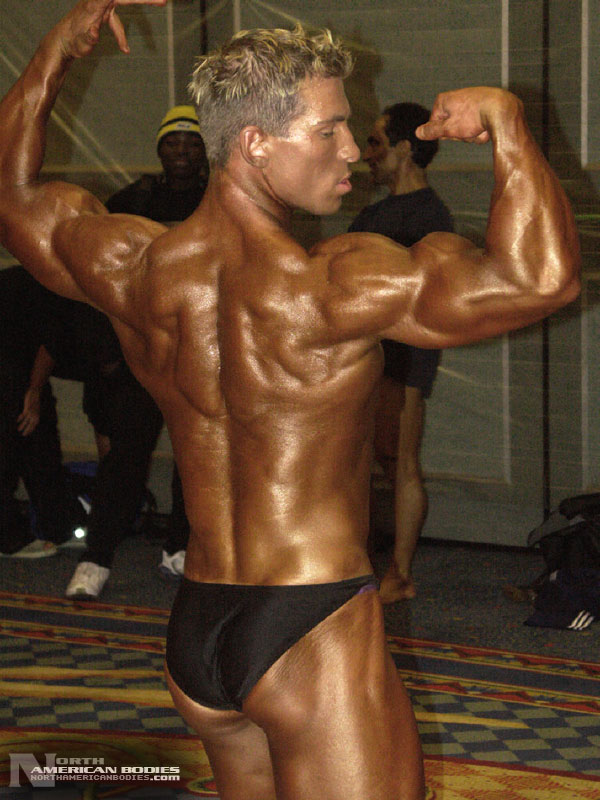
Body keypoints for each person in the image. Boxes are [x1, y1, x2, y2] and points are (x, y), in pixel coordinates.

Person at [0, 2, 580, 799]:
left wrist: (56, 52)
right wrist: (508, 123)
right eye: (328, 130)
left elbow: (15, 194)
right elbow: (541, 278)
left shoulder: (135, 268)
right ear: (254, 144)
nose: (351, 149)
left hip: (200, 628)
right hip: (312, 626)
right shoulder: (331, 284)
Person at [349, 102, 453, 603]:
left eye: (375, 143)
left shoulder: (430, 215)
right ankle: (361, 565)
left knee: (399, 460)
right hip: (363, 350)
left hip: (404, 351)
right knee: (362, 460)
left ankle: (401, 573)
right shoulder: (373, 212)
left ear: (406, 147)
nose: (366, 154)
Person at [105, 103, 209, 580]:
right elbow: (100, 267)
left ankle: (180, 545)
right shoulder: (133, 199)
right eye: (173, 141)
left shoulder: (219, 200)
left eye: (192, 141)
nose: (182, 150)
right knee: (127, 452)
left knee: (194, 453)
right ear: (159, 149)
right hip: (143, 347)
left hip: (202, 347)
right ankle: (96, 556)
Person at [0, 266, 84, 558]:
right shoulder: (55, 286)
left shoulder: (29, 278)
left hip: (18, 367)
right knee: (11, 451)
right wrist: (34, 391)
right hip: (12, 373)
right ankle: (9, 539)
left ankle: (59, 526)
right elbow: (51, 343)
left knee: (40, 447)